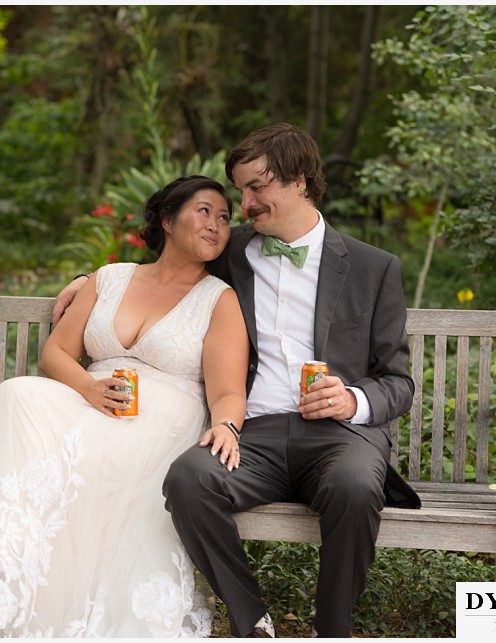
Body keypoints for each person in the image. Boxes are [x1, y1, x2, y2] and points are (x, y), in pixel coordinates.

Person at [54, 123, 421, 638]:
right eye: (241, 190)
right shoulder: (231, 250)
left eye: (256, 188)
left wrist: (352, 398)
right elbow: (161, 268)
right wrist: (86, 281)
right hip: (255, 433)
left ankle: (332, 630)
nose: (244, 203)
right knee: (189, 479)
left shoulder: (373, 268)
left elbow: (398, 382)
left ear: (299, 181)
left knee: (356, 487)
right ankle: (252, 621)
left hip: (341, 436)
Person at [0, 175, 249, 637]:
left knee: (101, 447)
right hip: (90, 396)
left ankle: (61, 606)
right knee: (18, 393)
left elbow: (227, 390)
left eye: (224, 217)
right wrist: (89, 389)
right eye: (204, 211)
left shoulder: (218, 300)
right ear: (167, 219)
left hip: (161, 417)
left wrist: (227, 426)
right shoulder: (109, 278)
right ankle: (3, 565)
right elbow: (55, 354)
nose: (216, 224)